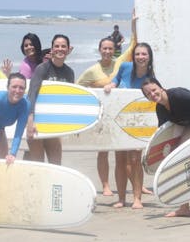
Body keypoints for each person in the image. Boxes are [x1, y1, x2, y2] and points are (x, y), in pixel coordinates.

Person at [141, 77, 190, 221]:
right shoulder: (160, 108)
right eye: (148, 94)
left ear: (161, 88)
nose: (152, 95)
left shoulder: (179, 96)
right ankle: (184, 207)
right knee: (178, 162)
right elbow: (164, 134)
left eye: (154, 90)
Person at [77, 13, 138, 196]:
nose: (107, 52)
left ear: (114, 51)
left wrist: (133, 24)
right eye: (104, 49)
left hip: (119, 113)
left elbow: (134, 45)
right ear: (99, 50)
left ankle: (135, 184)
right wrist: (95, 86)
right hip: (101, 115)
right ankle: (105, 185)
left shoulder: (119, 63)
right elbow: (77, 88)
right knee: (103, 151)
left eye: (110, 49)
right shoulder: (91, 71)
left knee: (124, 151)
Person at [104, 42, 154, 209]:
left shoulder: (151, 76)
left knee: (135, 159)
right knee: (119, 159)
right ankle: (121, 199)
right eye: (138, 54)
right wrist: (111, 86)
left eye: (144, 54)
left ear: (149, 57)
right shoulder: (125, 67)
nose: (140, 57)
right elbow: (116, 81)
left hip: (137, 123)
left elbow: (155, 98)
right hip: (119, 121)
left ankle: (137, 198)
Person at [26, 34, 74, 165]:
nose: (60, 49)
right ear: (52, 49)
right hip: (36, 122)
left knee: (56, 165)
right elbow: (32, 93)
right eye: (56, 46)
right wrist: (30, 120)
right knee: (38, 165)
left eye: (63, 46)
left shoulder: (69, 72)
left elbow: (67, 100)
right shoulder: (42, 69)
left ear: (69, 50)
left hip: (53, 124)